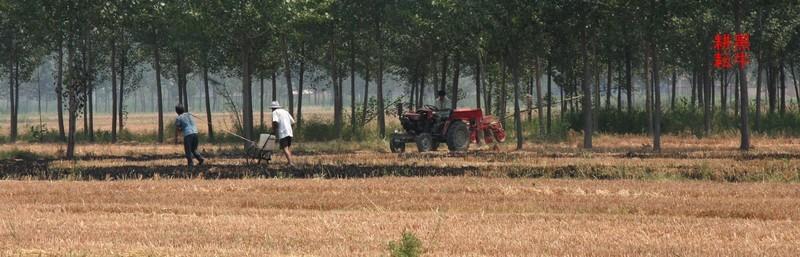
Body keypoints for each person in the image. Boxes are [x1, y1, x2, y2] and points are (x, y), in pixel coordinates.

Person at [175, 105, 204, 170]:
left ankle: (190, 164)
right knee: (194, 149)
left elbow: (178, 128)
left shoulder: (178, 118)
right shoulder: (189, 114)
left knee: (188, 150)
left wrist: (179, 131)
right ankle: (200, 159)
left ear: (177, 111)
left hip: (188, 135)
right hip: (195, 133)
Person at [271, 101, 296, 166]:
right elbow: (293, 122)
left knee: (285, 148)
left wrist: (273, 131)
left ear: (273, 108)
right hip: (289, 132)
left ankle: (290, 163)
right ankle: (289, 162)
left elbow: (275, 122)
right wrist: (290, 129)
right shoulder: (285, 112)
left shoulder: (275, 112)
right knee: (287, 148)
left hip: (283, 133)